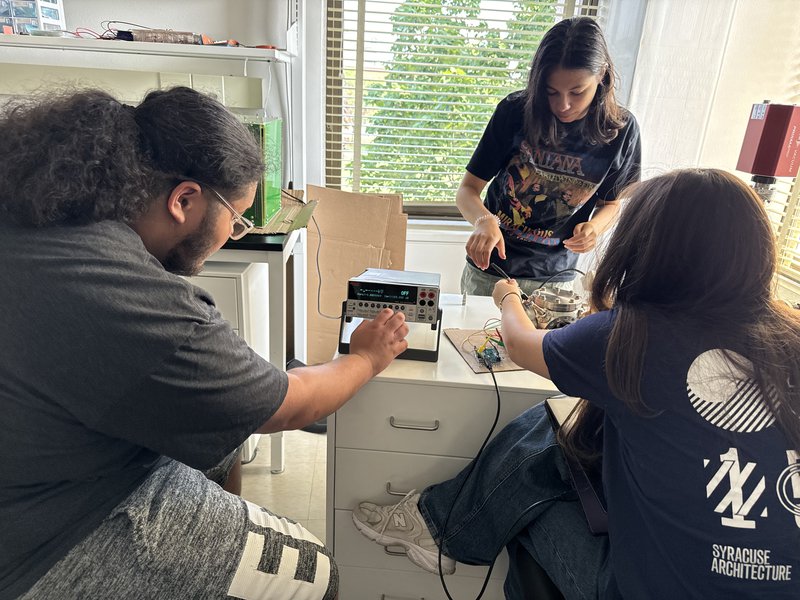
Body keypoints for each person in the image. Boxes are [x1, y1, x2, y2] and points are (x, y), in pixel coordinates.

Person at [0, 87, 409, 600]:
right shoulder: (139, 303)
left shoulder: (41, 211)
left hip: (38, 457)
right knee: (317, 573)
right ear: (184, 199)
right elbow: (289, 403)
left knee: (225, 437)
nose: (234, 235)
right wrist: (366, 356)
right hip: (43, 540)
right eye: (236, 220)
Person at [353, 169, 800, 599]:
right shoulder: (791, 337)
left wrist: (507, 296)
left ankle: (441, 530)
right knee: (575, 427)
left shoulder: (631, 336)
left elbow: (521, 343)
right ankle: (439, 524)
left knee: (532, 485)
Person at [458, 16, 641, 296]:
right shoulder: (514, 112)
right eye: (551, 92)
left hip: (556, 281)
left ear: (602, 75)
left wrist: (594, 227)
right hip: (490, 272)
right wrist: (484, 221)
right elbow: (467, 190)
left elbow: (612, 204)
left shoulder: (621, 130)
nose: (563, 105)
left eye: (577, 92)